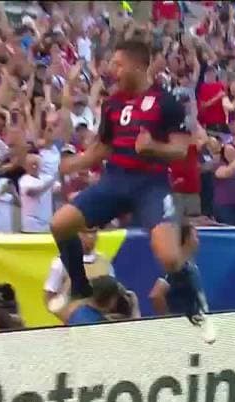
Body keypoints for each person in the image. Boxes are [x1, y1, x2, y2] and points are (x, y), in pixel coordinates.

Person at [52, 40, 193, 315]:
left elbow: (180, 150)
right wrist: (73, 163)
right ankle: (79, 286)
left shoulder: (167, 102)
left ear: (138, 66)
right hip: (115, 180)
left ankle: (184, 289)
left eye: (118, 65)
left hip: (150, 184)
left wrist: (152, 148)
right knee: (60, 224)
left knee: (169, 257)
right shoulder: (112, 103)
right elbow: (102, 149)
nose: (112, 70)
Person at [147, 224, 216, 343]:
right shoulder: (177, 267)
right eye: (195, 236)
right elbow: (156, 295)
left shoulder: (190, 265)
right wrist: (170, 323)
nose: (198, 240)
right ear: (188, 239)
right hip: (186, 332)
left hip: (198, 328)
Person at [43, 228, 115, 318]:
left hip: (102, 321)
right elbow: (49, 299)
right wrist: (68, 316)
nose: (90, 236)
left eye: (93, 232)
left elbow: (113, 294)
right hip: (75, 322)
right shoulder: (61, 263)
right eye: (85, 233)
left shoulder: (104, 261)